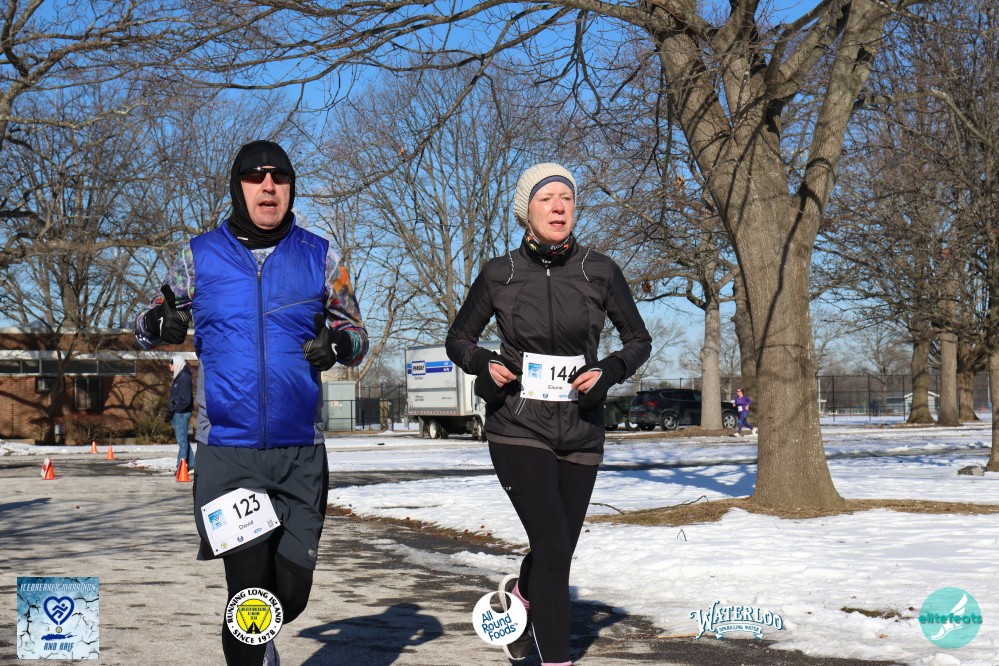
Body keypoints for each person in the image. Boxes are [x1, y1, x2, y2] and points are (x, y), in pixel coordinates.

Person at [134, 140, 368, 666]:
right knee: (249, 598)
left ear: (291, 188)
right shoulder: (198, 256)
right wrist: (159, 322)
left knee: (292, 595)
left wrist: (337, 344)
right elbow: (144, 325)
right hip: (227, 453)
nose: (268, 186)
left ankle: (260, 642)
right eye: (255, 177)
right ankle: (253, 650)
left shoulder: (321, 255)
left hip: (299, 454)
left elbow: (356, 335)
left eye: (279, 177)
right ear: (237, 188)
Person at [445, 163, 651, 665]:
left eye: (567, 198)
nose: (559, 207)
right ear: (527, 210)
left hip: (582, 429)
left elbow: (638, 340)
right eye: (547, 198)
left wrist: (609, 370)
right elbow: (459, 338)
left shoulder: (600, 270)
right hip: (518, 425)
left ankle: (522, 596)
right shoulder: (500, 273)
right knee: (555, 547)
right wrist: (483, 362)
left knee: (555, 548)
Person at [167, 355, 194, 474]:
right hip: (178, 413)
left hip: (182, 414)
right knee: (184, 439)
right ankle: (192, 464)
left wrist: (176, 409)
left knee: (182, 441)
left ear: (177, 363)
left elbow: (186, 399)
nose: (169, 365)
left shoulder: (184, 377)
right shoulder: (179, 376)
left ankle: (180, 467)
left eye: (171, 362)